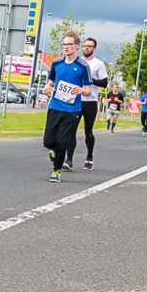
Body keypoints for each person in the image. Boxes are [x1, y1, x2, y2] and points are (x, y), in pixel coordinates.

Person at [42, 31, 92, 182]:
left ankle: (56, 171)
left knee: (62, 142)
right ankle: (54, 151)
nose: (66, 47)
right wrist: (47, 87)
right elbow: (50, 81)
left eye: (70, 44)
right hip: (55, 106)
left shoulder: (83, 66)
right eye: (64, 44)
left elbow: (89, 90)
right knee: (48, 141)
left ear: (77, 46)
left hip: (72, 110)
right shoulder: (57, 63)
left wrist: (82, 90)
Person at [66, 37, 108, 170]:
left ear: (94, 49)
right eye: (85, 46)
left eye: (89, 46)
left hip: (90, 101)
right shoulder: (76, 62)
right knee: (71, 130)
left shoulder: (98, 64)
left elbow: (104, 83)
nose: (86, 48)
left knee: (88, 131)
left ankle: (89, 156)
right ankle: (69, 160)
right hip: (76, 100)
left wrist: (90, 79)